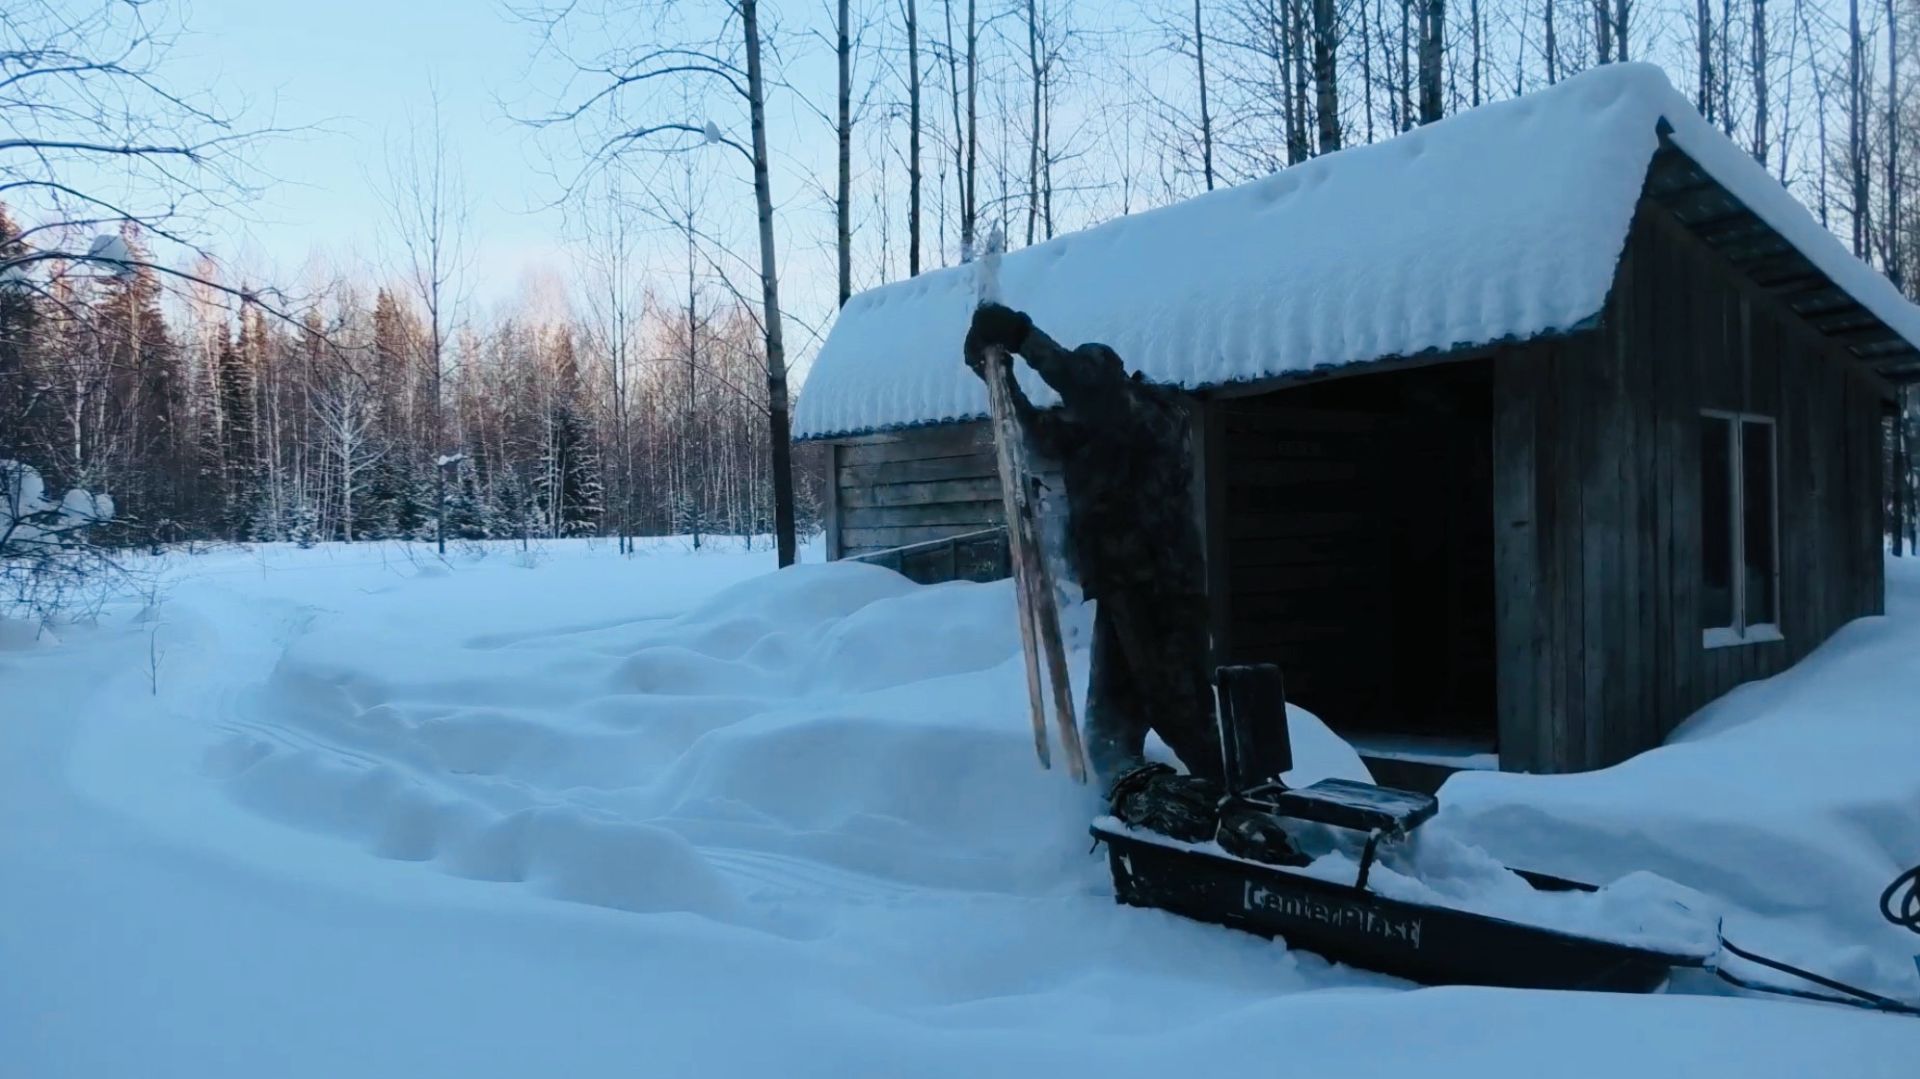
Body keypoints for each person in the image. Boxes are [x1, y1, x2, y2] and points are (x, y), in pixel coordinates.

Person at [963, 302, 1222, 799]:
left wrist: (1021, 335)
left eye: (1086, 386)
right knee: (1107, 731)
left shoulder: (1155, 415)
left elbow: (1090, 388)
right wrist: (996, 376)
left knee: (1185, 718)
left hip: (1164, 594)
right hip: (1121, 594)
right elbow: (1032, 436)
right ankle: (1136, 822)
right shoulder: (1091, 430)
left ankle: (1243, 813)